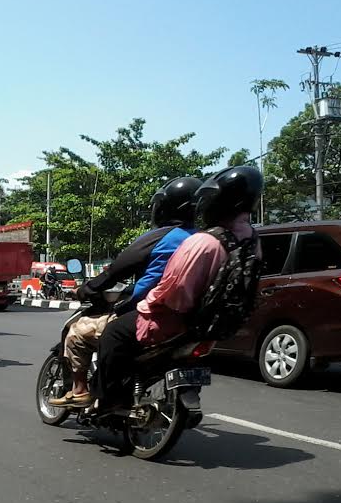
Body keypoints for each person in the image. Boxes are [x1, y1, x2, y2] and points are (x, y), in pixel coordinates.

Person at [90, 166, 263, 407]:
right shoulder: (252, 241)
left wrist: (144, 303)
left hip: (174, 320)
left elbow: (174, 293)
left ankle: (110, 400)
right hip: (215, 324)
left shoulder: (203, 242)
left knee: (114, 333)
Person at [50, 176, 203, 407]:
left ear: (165, 207)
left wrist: (87, 289)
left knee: (76, 333)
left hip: (146, 312)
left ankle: (80, 389)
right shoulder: (202, 239)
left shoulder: (161, 237)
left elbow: (116, 270)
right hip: (186, 317)